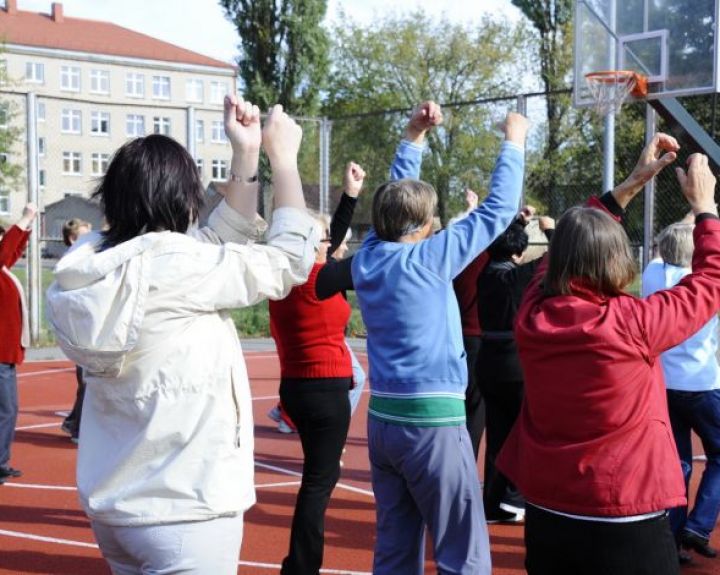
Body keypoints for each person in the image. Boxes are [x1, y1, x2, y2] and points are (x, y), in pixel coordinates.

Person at [46, 96, 319, 575]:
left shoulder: (90, 263)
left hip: (116, 502)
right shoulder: (175, 266)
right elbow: (290, 261)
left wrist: (246, 155)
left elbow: (214, 241)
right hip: (186, 506)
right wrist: (286, 162)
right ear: (183, 197)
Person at [318, 100, 528, 574]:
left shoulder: (370, 257)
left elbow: (392, 202)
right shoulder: (431, 260)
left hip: (384, 423)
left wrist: (413, 136)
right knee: (462, 550)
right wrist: (513, 140)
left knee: (395, 546)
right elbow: (497, 210)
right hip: (433, 424)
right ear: (428, 226)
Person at [497, 135, 720, 575]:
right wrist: (706, 207)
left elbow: (554, 262)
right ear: (617, 260)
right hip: (624, 513)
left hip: (549, 508)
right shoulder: (635, 323)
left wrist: (631, 185)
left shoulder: (533, 312)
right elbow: (710, 280)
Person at [268, 160, 365, 575]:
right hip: (326, 392)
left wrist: (350, 196)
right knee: (318, 485)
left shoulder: (278, 279)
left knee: (317, 476)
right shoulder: (320, 280)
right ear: (314, 245)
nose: (331, 243)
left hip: (295, 388)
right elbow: (338, 247)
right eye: (323, 239)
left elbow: (331, 240)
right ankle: (301, 568)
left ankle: (300, 565)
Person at [642, 222, 720, 563]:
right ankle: (699, 525)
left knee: (677, 463)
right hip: (702, 384)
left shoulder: (653, 275)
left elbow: (667, 248)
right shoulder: (703, 284)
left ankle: (672, 539)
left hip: (665, 384)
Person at [477, 209, 554, 523]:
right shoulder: (517, 276)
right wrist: (551, 231)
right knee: (528, 430)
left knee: (498, 433)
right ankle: (516, 497)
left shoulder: (483, 273)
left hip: (487, 361)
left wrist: (518, 224)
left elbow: (498, 244)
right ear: (519, 253)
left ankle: (495, 502)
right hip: (515, 362)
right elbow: (558, 257)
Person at [451, 189, 490, 460]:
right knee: (477, 407)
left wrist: (471, 209)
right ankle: (466, 461)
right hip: (478, 336)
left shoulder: (450, 260)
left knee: (456, 403)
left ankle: (452, 458)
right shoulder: (486, 257)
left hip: (454, 336)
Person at [0, 203, 38, 484]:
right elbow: (6, 251)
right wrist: (24, 220)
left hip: (6, 354)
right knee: (6, 410)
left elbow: (11, 252)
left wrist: (26, 228)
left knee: (7, 410)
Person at [59, 218, 92, 444]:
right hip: (80, 332)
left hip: (90, 329)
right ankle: (77, 428)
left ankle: (73, 422)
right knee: (88, 382)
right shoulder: (71, 265)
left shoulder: (86, 260)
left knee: (88, 383)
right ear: (73, 238)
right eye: (84, 235)